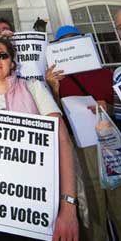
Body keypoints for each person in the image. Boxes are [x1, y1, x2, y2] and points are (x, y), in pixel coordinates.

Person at [0, 38, 79, 241]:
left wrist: (68, 206)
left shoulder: (33, 88)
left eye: (3, 55)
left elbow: (62, 143)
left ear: (12, 62)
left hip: (37, 207)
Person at [46, 25, 121, 240]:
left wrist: (108, 108)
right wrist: (53, 88)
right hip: (80, 147)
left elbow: (119, 105)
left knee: (118, 201)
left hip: (111, 143)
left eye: (74, 39)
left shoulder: (106, 74)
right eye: (64, 41)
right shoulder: (56, 77)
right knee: (92, 207)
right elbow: (53, 116)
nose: (70, 44)